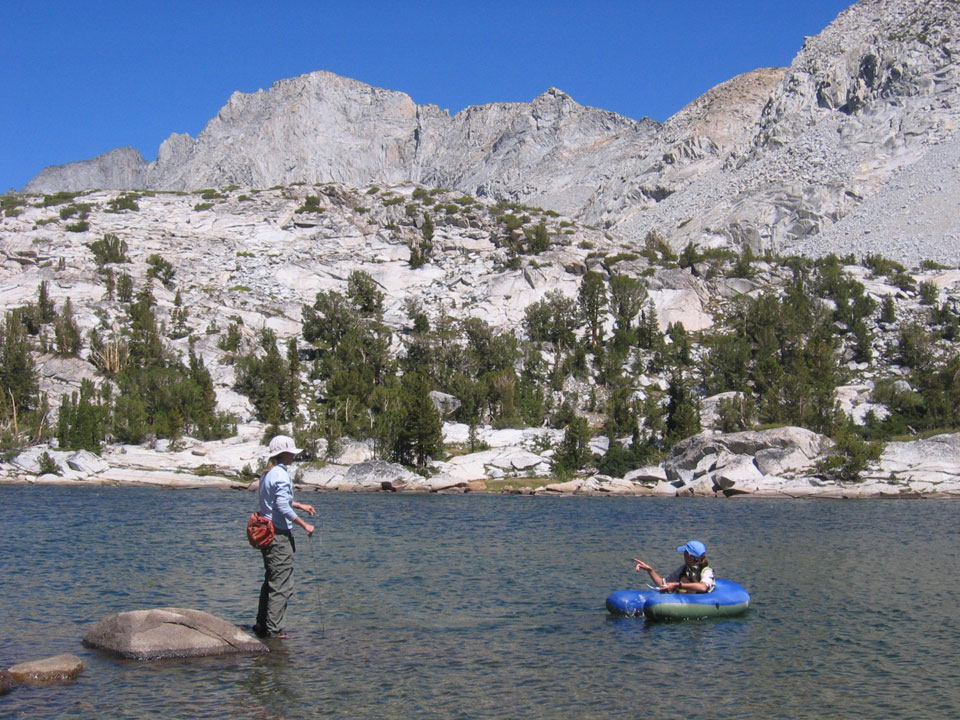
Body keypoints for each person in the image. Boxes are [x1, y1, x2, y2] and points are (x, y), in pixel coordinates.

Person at [252, 435, 316, 639]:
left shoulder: (267, 474)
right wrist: (304, 524)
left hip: (267, 532)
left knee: (271, 579)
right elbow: (280, 506)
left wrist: (299, 505)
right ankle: (274, 631)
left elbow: (278, 501)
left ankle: (262, 625)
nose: (294, 456)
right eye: (292, 453)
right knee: (282, 584)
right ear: (284, 454)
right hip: (278, 535)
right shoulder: (280, 475)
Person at [633, 540, 716, 593]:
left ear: (689, 555)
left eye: (684, 552)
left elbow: (703, 587)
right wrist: (650, 570)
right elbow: (663, 584)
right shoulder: (684, 568)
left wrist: (678, 585)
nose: (683, 554)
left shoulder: (706, 571)